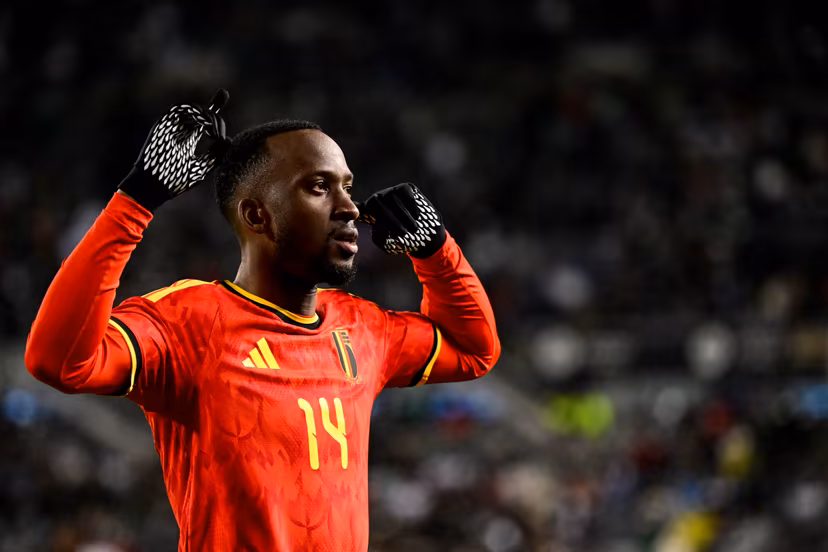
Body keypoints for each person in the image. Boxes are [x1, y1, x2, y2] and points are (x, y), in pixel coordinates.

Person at [23, 89, 500, 551]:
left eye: (347, 187)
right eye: (319, 187)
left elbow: (474, 350)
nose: (350, 208)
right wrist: (135, 201)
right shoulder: (188, 324)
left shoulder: (362, 327)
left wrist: (437, 251)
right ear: (257, 215)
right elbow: (57, 362)